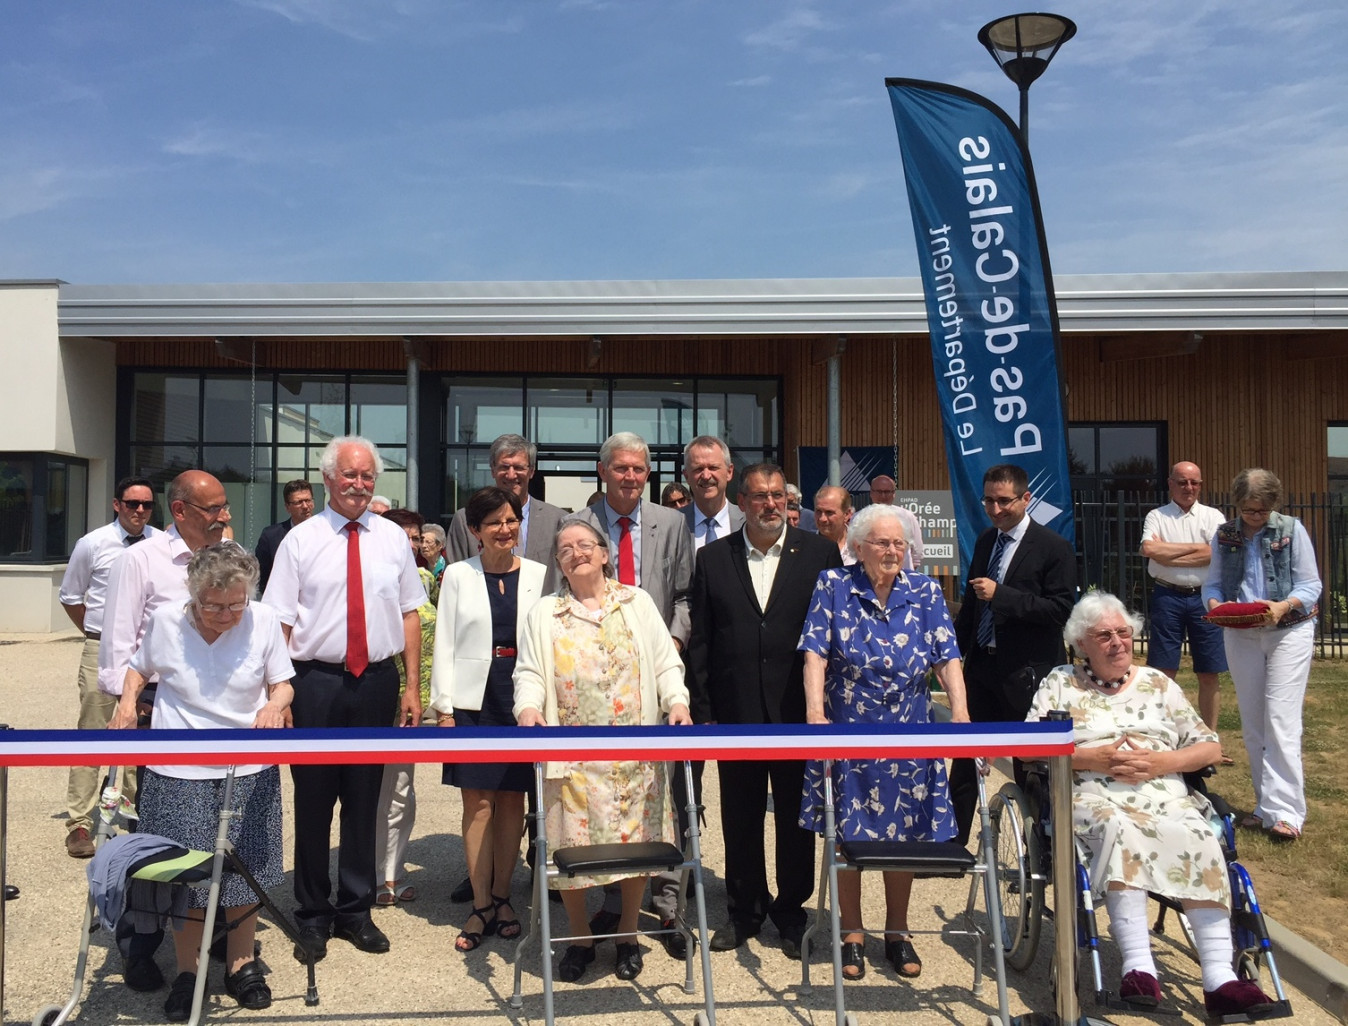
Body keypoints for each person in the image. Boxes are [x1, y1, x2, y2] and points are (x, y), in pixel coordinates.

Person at [1025, 592, 1276, 1018]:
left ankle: (1220, 978)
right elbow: (1031, 747)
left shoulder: (1159, 684)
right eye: (1104, 635)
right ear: (1081, 643)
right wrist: (1091, 757)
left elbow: (1210, 748)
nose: (1117, 642)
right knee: (1117, 826)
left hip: (1163, 791)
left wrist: (1162, 762)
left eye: (1124, 632)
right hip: (1090, 792)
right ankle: (1139, 967)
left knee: (1199, 831)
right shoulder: (1060, 682)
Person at [110, 543, 293, 1021]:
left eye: (236, 604)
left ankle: (241, 962)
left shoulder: (264, 618)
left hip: (248, 764)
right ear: (193, 595)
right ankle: (190, 972)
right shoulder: (168, 619)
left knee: (247, 867)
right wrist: (128, 703)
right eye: (213, 605)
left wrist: (275, 704)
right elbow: (137, 668)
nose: (226, 614)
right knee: (183, 879)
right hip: (178, 769)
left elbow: (283, 680)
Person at [262, 436, 425, 961]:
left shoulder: (392, 540)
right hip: (315, 683)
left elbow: (409, 613)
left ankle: (356, 910)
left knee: (364, 800)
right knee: (312, 800)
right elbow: (279, 622)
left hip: (375, 681)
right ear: (328, 479)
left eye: (368, 476)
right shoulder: (300, 541)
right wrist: (279, 694)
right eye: (349, 475)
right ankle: (312, 912)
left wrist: (411, 685)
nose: (359, 484)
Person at [513, 520, 692, 985]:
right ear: (559, 563)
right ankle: (580, 938)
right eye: (566, 549)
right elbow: (529, 671)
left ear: (606, 553)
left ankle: (628, 935)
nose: (577, 553)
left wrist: (677, 701)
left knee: (634, 848)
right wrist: (529, 708)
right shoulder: (544, 613)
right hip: (572, 761)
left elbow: (665, 663)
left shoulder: (638, 602)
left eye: (585, 545)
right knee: (572, 851)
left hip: (636, 757)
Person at [798, 503, 969, 980]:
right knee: (845, 833)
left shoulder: (926, 590)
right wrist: (815, 715)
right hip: (848, 728)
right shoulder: (834, 585)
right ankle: (851, 933)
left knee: (906, 833)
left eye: (899, 543)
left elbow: (947, 656)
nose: (893, 551)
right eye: (882, 542)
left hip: (910, 729)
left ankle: (897, 931)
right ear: (857, 548)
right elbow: (815, 653)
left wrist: (960, 713)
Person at [687, 463, 841, 957]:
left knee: (797, 817)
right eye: (759, 497)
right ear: (742, 500)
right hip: (736, 714)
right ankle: (744, 909)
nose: (770, 505)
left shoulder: (819, 553)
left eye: (778, 496)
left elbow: (834, 634)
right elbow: (704, 639)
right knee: (741, 815)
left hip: (799, 712)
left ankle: (791, 911)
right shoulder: (713, 558)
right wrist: (705, 707)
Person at [569, 431, 694, 954]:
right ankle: (609, 906)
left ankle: (667, 906)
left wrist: (671, 640)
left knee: (661, 798)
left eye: (638, 469)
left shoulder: (671, 522)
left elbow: (685, 594)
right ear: (603, 472)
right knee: (597, 800)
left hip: (654, 678)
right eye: (620, 468)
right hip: (596, 686)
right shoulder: (575, 524)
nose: (630, 477)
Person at [429, 487, 545, 951]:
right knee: (477, 803)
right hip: (471, 701)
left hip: (519, 695)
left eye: (511, 520)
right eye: (494, 522)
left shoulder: (538, 573)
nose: (505, 529)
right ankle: (479, 905)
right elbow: (445, 641)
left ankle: (503, 897)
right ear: (475, 531)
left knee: (512, 802)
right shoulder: (457, 575)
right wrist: (444, 709)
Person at [950, 463, 1076, 845]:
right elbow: (972, 607)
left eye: (1004, 501)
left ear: (1026, 499)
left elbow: (1060, 610)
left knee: (1029, 765)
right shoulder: (987, 541)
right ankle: (953, 842)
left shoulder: (1053, 547)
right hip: (983, 668)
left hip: (1027, 673)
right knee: (965, 756)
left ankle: (1042, 847)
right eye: (988, 499)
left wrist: (1002, 596)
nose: (995, 508)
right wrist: (951, 655)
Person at [1202, 468, 1321, 841]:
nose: (1255, 517)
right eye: (1248, 510)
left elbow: (1311, 584)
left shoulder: (1291, 529)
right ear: (1237, 505)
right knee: (1253, 722)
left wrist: (1284, 605)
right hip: (1242, 633)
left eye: (1261, 510)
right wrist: (1216, 604)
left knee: (1281, 719)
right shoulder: (1224, 534)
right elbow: (1213, 582)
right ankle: (1265, 806)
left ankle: (1288, 813)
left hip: (1289, 629)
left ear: (1274, 504)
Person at [58, 475, 159, 859]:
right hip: (102, 647)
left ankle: (128, 814)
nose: (139, 511)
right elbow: (70, 596)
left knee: (137, 732)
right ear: (117, 505)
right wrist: (97, 636)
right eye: (132, 503)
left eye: (146, 505)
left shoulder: (160, 544)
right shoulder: (93, 544)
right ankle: (80, 823)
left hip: (146, 653)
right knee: (92, 734)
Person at [373, 507, 438, 909]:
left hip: (413, 704)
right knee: (367, 792)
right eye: (404, 536)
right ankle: (367, 870)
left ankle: (392, 872)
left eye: (416, 538)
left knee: (400, 792)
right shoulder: (371, 581)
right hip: (373, 694)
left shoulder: (427, 580)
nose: (411, 544)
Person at [1141, 462, 1228, 741]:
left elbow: (1219, 554)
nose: (1188, 488)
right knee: (1163, 672)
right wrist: (1200, 549)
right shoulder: (1157, 516)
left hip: (1205, 597)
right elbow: (1149, 549)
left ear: (1201, 484)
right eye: (1182, 482)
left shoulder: (1214, 516)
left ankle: (1210, 737)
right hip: (1167, 595)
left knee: (1209, 671)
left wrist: (1167, 552)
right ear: (1170, 484)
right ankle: (1161, 735)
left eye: (1194, 482)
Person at [446, 433, 567, 593]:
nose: (511, 475)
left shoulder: (557, 520)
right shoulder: (465, 519)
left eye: (518, 467)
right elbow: (455, 578)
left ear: (531, 472)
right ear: (493, 470)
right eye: (504, 467)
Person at [680, 435, 745, 546]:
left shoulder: (748, 522)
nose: (706, 476)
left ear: (729, 472)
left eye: (713, 467)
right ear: (686, 476)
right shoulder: (673, 524)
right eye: (698, 469)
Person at [253, 479, 314, 593]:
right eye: (299, 502)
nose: (305, 506)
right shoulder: (271, 536)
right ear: (287, 507)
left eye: (308, 500)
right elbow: (262, 576)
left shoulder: (326, 532)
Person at [866, 474, 924, 571]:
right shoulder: (859, 518)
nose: (883, 496)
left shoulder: (907, 517)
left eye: (887, 492)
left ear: (894, 494)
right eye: (879, 492)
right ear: (871, 493)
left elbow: (917, 554)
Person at [813, 485, 854, 564]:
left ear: (847, 514)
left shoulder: (861, 546)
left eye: (829, 512)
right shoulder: (805, 547)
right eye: (818, 511)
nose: (822, 519)